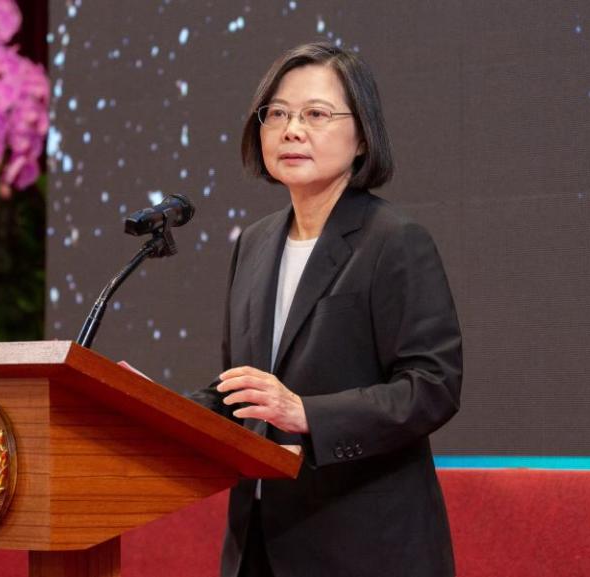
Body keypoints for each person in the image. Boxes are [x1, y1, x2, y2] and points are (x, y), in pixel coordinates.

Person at [188, 41, 462, 577]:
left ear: (362, 137)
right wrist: (139, 403)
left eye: (315, 114)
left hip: (362, 549)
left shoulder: (394, 241)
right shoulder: (254, 243)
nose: (292, 129)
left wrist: (307, 414)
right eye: (278, 114)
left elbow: (432, 386)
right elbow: (244, 391)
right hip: (259, 548)